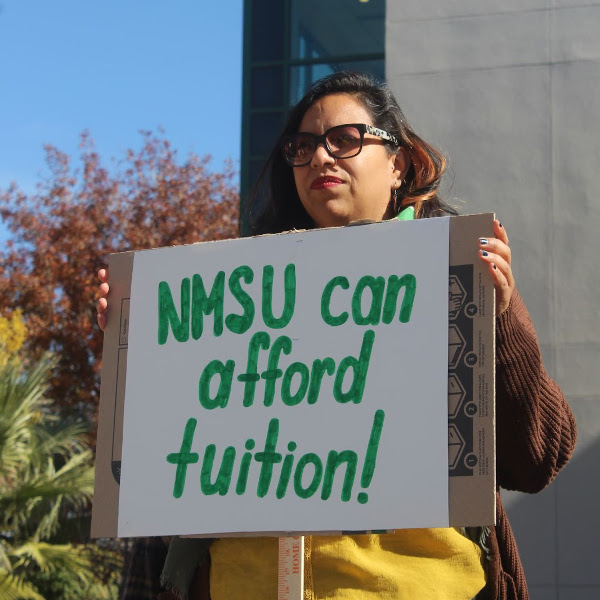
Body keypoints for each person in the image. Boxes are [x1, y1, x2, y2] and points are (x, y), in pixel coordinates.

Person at [97, 71, 576, 600]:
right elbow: (175, 460)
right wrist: (138, 345)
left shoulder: (458, 276)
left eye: (344, 140)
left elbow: (537, 460)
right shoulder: (234, 299)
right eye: (301, 148)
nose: (320, 158)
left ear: (399, 163)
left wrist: (500, 322)